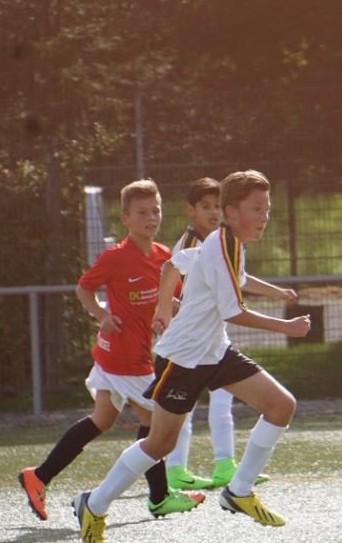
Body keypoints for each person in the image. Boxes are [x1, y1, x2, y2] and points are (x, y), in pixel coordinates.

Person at [72, 170, 312, 542]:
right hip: (183, 358)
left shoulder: (229, 243)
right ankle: (95, 503)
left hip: (214, 352)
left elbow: (173, 265)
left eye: (267, 208)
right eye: (257, 208)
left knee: (281, 406)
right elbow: (233, 311)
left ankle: (239, 491)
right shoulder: (221, 246)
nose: (265, 216)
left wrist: (163, 307)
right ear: (232, 212)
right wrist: (287, 327)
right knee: (159, 444)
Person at [18, 179, 203, 522]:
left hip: (123, 354)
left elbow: (173, 295)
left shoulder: (164, 256)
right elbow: (83, 289)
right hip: (124, 357)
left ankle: (39, 476)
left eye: (156, 211)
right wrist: (102, 316)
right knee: (156, 423)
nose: (151, 217)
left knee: (102, 419)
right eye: (142, 212)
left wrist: (172, 306)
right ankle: (159, 497)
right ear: (125, 219)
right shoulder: (115, 257)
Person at [164, 177, 267, 490]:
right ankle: (174, 469)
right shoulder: (194, 244)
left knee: (223, 399)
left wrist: (278, 292)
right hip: (190, 341)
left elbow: (240, 278)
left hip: (212, 340)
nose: (213, 212)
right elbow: (172, 272)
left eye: (216, 206)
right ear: (190, 210)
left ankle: (225, 464)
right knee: (177, 413)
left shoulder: (227, 242)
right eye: (206, 207)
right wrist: (167, 308)